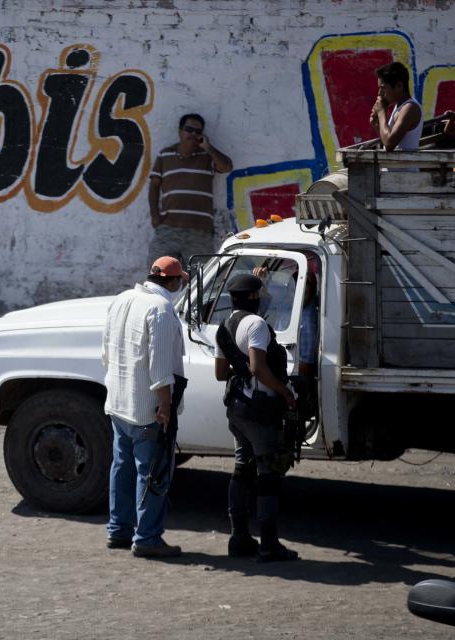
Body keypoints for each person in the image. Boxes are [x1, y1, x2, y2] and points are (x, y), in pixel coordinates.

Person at [102, 256, 188, 558]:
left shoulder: (123, 298)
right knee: (152, 472)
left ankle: (118, 530)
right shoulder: (161, 309)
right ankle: (147, 537)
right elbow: (161, 366)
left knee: (121, 468)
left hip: (119, 402)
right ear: (174, 281)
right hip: (147, 408)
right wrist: (165, 404)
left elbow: (106, 351)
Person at [214, 274, 299, 562]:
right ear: (253, 297)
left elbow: (219, 373)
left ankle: (239, 538)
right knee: (268, 473)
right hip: (260, 409)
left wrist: (241, 375)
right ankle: (269, 543)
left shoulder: (224, 326)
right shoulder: (257, 324)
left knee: (242, 469)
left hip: (237, 408)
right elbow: (258, 367)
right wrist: (284, 392)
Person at [148, 113, 232, 266]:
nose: (193, 134)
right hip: (168, 230)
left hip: (200, 232)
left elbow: (226, 167)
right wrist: (155, 217)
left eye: (197, 132)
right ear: (180, 131)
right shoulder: (165, 155)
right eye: (189, 129)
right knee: (157, 275)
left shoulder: (207, 157)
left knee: (199, 282)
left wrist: (208, 147)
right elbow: (154, 186)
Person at [370, 62, 422, 152]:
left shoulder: (410, 108)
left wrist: (382, 113)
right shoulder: (400, 106)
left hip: (405, 166)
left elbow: (390, 144)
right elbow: (386, 142)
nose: (379, 93)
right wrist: (377, 124)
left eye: (383, 88)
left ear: (399, 86)